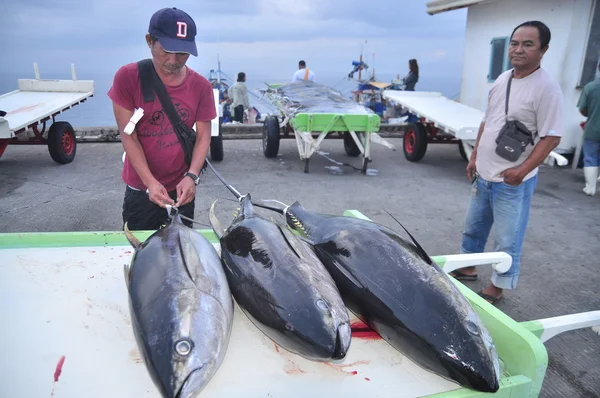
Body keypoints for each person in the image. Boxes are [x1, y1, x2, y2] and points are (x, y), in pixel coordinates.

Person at [450, 21, 563, 305]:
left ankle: (498, 286)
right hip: (484, 174)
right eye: (514, 43)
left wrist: (522, 170)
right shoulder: (503, 79)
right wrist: (474, 156)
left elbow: (551, 138)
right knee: (473, 227)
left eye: (528, 44)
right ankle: (468, 266)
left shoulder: (546, 88)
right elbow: (488, 122)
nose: (518, 49)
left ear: (543, 50)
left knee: (507, 237)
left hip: (513, 179)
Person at [107, 7, 216, 230]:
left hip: (181, 187)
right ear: (150, 41)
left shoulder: (201, 87)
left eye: (183, 53)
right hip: (140, 189)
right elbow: (129, 136)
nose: (174, 60)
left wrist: (192, 176)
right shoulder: (128, 78)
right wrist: (149, 183)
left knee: (182, 254)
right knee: (142, 252)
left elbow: (204, 137)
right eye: (167, 50)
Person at [577, 62, 600, 196]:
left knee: (590, 157)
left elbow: (583, 109)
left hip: (593, 128)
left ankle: (590, 188)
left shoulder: (590, 87)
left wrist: (590, 113)